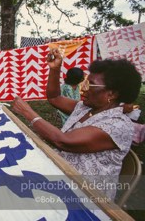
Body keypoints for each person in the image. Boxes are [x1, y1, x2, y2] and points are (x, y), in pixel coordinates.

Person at [11, 49, 141, 200]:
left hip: (85, 197)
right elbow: (54, 97)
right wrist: (55, 69)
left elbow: (63, 141)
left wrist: (28, 113)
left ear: (111, 94)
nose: (83, 88)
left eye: (90, 84)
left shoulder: (118, 125)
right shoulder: (86, 108)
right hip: (60, 177)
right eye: (84, 81)